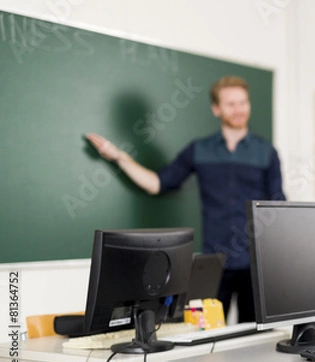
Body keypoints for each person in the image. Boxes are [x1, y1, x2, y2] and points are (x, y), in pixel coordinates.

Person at [86, 76, 285, 323]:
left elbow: (279, 206)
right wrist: (118, 157)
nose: (238, 109)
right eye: (231, 104)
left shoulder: (266, 152)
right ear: (216, 108)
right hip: (214, 263)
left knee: (257, 338)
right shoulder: (199, 149)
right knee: (205, 337)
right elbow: (157, 183)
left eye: (243, 103)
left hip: (257, 265)